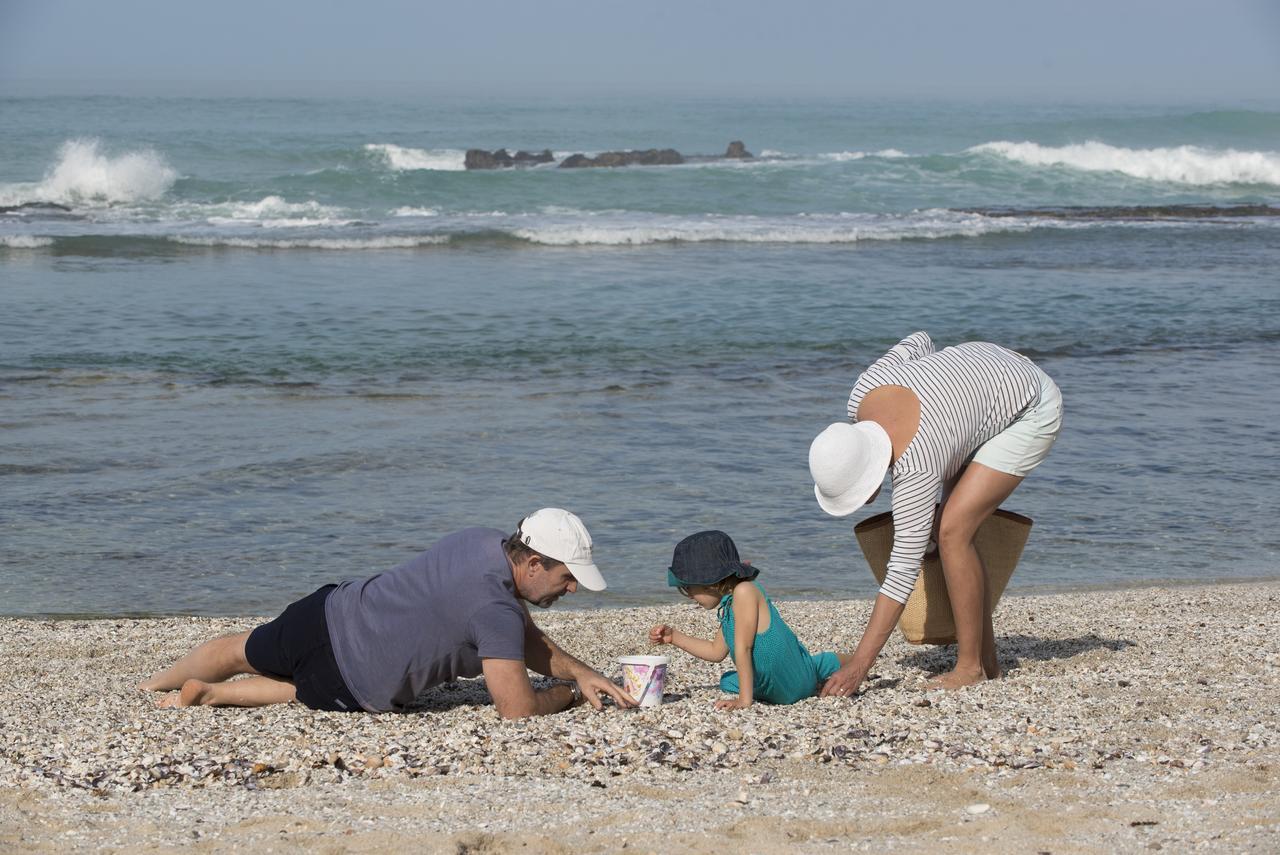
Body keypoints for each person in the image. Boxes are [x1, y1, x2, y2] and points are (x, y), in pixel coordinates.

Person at [139, 508, 638, 718]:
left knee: (239, 647)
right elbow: (517, 709)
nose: (571, 588)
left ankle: (153, 684)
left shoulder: (479, 541)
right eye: (566, 576)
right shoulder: (497, 613)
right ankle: (210, 698)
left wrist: (584, 670)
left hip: (327, 610)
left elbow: (520, 636)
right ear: (532, 563)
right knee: (296, 689)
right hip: (349, 681)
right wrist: (569, 695)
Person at [809, 331, 1063, 694]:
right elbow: (921, 341)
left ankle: (970, 667)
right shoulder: (864, 391)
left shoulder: (917, 467)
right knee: (953, 527)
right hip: (990, 361)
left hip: (1032, 405)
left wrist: (860, 666)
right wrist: (951, 398)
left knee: (952, 532)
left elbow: (900, 574)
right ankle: (988, 663)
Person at [647, 530, 851, 708]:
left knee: (815, 664)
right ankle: (817, 669)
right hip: (772, 687)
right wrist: (674, 637)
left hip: (795, 682)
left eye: (689, 588)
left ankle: (855, 661)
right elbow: (715, 652)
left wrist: (744, 701)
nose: (689, 595)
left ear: (709, 581)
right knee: (726, 681)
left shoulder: (745, 591)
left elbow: (744, 648)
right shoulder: (729, 608)